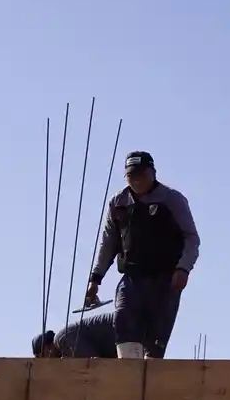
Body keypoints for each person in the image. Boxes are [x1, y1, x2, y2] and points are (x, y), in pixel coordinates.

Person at [84, 151, 201, 359]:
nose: (136, 180)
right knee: (123, 322)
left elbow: (191, 238)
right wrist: (96, 278)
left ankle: (151, 375)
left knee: (157, 336)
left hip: (166, 280)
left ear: (153, 173)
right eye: (131, 175)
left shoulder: (171, 199)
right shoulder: (118, 203)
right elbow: (108, 243)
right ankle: (128, 374)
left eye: (141, 174)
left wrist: (183, 268)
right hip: (132, 278)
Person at [32, 311, 119, 359]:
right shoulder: (65, 345)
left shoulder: (61, 339)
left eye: (42, 357)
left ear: (47, 349)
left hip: (121, 327)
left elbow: (94, 363)